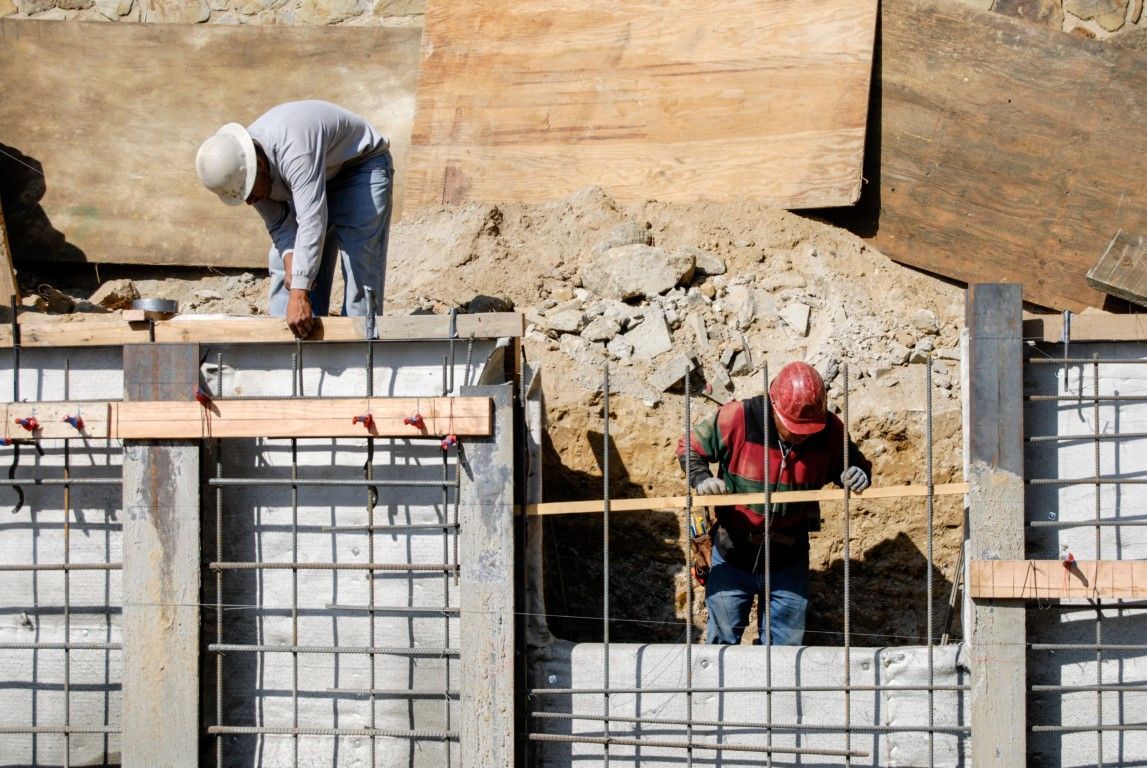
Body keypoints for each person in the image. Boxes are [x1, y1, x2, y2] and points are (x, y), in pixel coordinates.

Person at [676, 361, 872, 646]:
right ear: (775, 407)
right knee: (721, 644)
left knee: (784, 653)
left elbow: (855, 464)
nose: (803, 434)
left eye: (809, 429)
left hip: (788, 559)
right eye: (795, 428)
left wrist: (857, 473)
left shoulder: (829, 430)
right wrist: (701, 477)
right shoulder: (740, 418)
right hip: (732, 552)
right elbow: (689, 446)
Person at [195, 100, 393, 338]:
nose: (249, 202)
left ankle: (360, 355)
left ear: (260, 165)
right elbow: (280, 226)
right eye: (242, 196)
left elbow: (312, 221)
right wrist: (292, 264)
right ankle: (291, 353)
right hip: (313, 174)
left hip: (360, 165)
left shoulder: (293, 149)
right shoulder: (245, 169)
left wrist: (299, 293)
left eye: (249, 193)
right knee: (283, 266)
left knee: (359, 264)